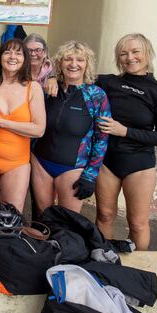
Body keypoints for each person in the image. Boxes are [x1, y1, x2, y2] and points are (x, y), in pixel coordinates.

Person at [92, 33, 157, 250]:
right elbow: (75, 74)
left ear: (147, 53)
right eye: (124, 53)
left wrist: (124, 131)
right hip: (108, 161)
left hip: (139, 164)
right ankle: (104, 261)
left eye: (135, 51)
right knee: (104, 215)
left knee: (137, 224)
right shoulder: (108, 82)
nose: (130, 57)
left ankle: (139, 270)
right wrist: (53, 78)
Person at [31, 41, 110, 215]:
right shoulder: (48, 89)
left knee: (68, 224)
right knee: (43, 219)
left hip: (73, 168)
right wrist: (51, 77)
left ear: (87, 64)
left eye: (80, 60)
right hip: (40, 163)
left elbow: (102, 139)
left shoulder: (96, 95)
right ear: (60, 63)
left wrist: (90, 175)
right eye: (68, 59)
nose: (73, 64)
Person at [0, 39, 46, 212]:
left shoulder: (33, 87)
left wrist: (1, 122)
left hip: (17, 162)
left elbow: (38, 129)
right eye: (7, 52)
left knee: (12, 218)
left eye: (18, 53)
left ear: (25, 59)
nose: (12, 56)